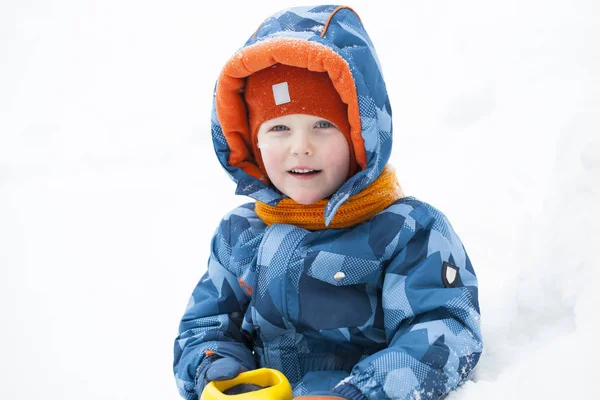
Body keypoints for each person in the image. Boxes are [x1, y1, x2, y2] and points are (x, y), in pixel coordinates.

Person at [173, 5, 483, 400]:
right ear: (253, 142)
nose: (301, 148)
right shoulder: (240, 234)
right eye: (280, 128)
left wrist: (359, 393)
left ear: (360, 137)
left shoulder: (408, 231)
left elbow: (445, 329)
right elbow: (205, 327)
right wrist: (219, 373)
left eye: (323, 126)